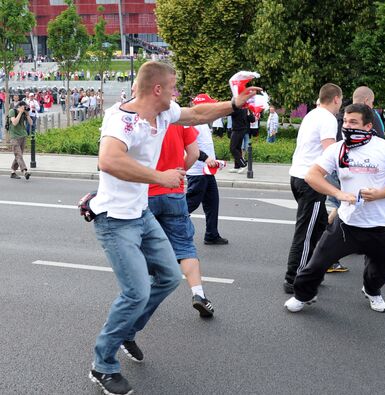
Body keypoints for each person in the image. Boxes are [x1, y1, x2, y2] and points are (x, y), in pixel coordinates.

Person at [87, 61, 259, 395]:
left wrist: (234, 103)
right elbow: (108, 160)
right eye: (173, 86)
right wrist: (160, 177)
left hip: (141, 215)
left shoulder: (164, 114)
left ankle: (126, 330)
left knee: (167, 276)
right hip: (115, 220)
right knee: (135, 291)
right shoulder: (121, 119)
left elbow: (196, 115)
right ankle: (102, 365)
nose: (176, 92)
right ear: (157, 89)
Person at [284, 104, 385, 313]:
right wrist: (338, 194)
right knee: (317, 263)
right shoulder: (338, 149)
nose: (347, 126)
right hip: (348, 223)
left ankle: (372, 291)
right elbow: (312, 175)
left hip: (381, 224)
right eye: (345, 121)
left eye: (354, 122)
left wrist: (380, 194)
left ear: (368, 126)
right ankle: (302, 295)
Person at [148, 101, 216, 318]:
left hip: (145, 192)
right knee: (185, 246)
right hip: (174, 192)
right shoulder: (177, 114)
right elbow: (194, 153)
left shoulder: (140, 112)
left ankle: (145, 293)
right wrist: (179, 172)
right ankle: (199, 294)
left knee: (144, 244)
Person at [283, 83, 342, 294]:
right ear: (336, 99)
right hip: (310, 181)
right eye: (341, 101)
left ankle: (313, 272)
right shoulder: (327, 118)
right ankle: (294, 279)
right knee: (306, 233)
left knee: (319, 228)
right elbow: (330, 153)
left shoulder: (312, 114)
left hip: (298, 176)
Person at [186, 94, 229, 246]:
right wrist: (206, 158)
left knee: (212, 203)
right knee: (190, 203)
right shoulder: (193, 123)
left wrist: (214, 161)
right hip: (197, 172)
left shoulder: (202, 122)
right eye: (209, 105)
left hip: (207, 170)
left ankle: (211, 234)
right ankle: (171, 226)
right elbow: (191, 147)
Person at [8, 101, 32, 180]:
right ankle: (25, 171)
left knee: (18, 155)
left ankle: (13, 172)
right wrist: (20, 113)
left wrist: (27, 115)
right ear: (20, 106)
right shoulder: (12, 111)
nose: (25, 108)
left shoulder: (24, 113)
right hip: (14, 136)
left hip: (23, 136)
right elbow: (14, 123)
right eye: (24, 107)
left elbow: (31, 123)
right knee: (19, 155)